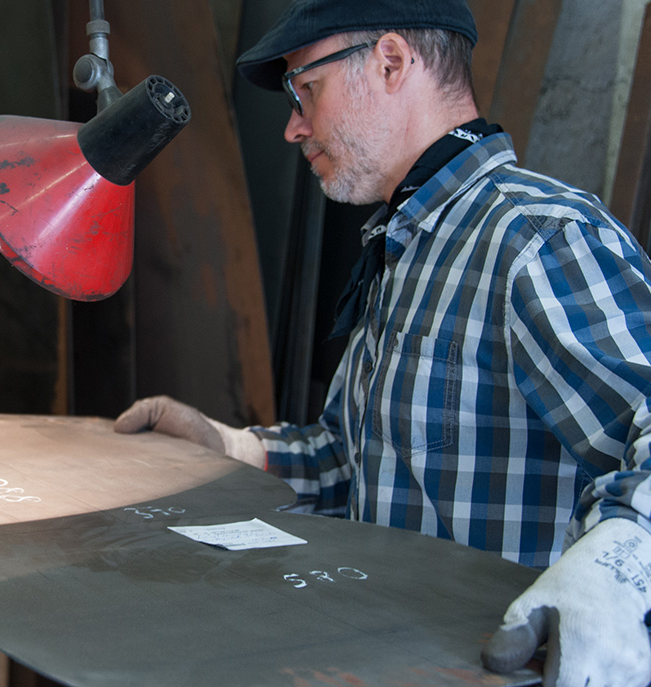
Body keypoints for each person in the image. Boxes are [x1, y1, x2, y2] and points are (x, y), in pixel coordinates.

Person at [113, 1, 651, 685]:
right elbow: (357, 467)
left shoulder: (535, 238)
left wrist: (624, 561)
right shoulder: (405, 250)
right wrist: (232, 450)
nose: (292, 126)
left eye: (305, 88)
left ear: (392, 62)